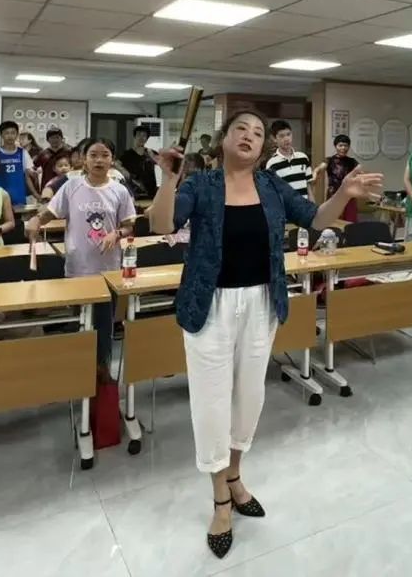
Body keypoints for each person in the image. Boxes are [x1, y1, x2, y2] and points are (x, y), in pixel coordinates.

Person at [146, 110, 383, 559]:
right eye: (241, 129)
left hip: (261, 303)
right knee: (212, 402)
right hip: (210, 304)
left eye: (258, 133)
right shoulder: (201, 185)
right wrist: (168, 179)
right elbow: (161, 225)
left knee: (249, 397)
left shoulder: (272, 185)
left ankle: (235, 475)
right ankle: (220, 497)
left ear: (263, 147)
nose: (250, 136)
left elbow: (316, 219)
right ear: (224, 138)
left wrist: (343, 193)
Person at [26, 138, 136, 372]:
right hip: (77, 266)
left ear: (112, 160)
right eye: (93, 155)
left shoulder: (119, 191)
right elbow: (50, 212)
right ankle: (79, 372)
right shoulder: (71, 186)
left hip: (108, 270)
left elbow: (128, 226)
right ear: (83, 160)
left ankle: (102, 373)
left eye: (105, 155)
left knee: (103, 326)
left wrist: (116, 233)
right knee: (80, 323)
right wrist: (36, 220)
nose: (99, 160)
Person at [313, 134, 360, 222]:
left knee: (350, 221)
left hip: (349, 195)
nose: (343, 148)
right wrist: (315, 174)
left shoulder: (352, 161)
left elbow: (361, 173)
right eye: (340, 145)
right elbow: (319, 168)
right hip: (333, 195)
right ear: (336, 146)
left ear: (348, 147)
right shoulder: (329, 160)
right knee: (333, 220)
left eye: (345, 145)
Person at [265, 120, 313, 200]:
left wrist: (312, 205)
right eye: (282, 136)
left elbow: (309, 187)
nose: (286, 139)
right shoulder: (271, 164)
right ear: (275, 139)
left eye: (288, 134)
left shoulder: (303, 158)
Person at [0, 121, 38, 206]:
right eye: (7, 133)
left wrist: (35, 194)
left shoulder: (23, 153)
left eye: (13, 133)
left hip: (19, 197)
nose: (10, 136)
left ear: (17, 135)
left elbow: (27, 177)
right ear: (1, 135)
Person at [120, 125, 159, 198]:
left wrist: (153, 157)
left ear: (147, 138)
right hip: (133, 193)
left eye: (144, 135)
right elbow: (116, 163)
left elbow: (163, 164)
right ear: (135, 137)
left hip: (151, 193)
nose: (141, 138)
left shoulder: (151, 153)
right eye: (139, 135)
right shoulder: (127, 154)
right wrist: (123, 170)